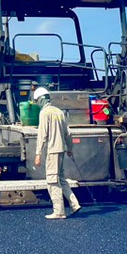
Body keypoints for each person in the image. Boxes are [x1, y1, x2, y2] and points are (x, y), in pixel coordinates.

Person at [32, 87, 81, 219]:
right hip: (62, 150)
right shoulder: (59, 112)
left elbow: (42, 135)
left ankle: (59, 211)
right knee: (61, 179)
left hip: (52, 151)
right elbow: (68, 133)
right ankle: (74, 204)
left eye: (37, 100)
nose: (36, 103)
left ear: (41, 99)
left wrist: (38, 154)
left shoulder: (44, 113)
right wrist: (70, 149)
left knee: (53, 181)